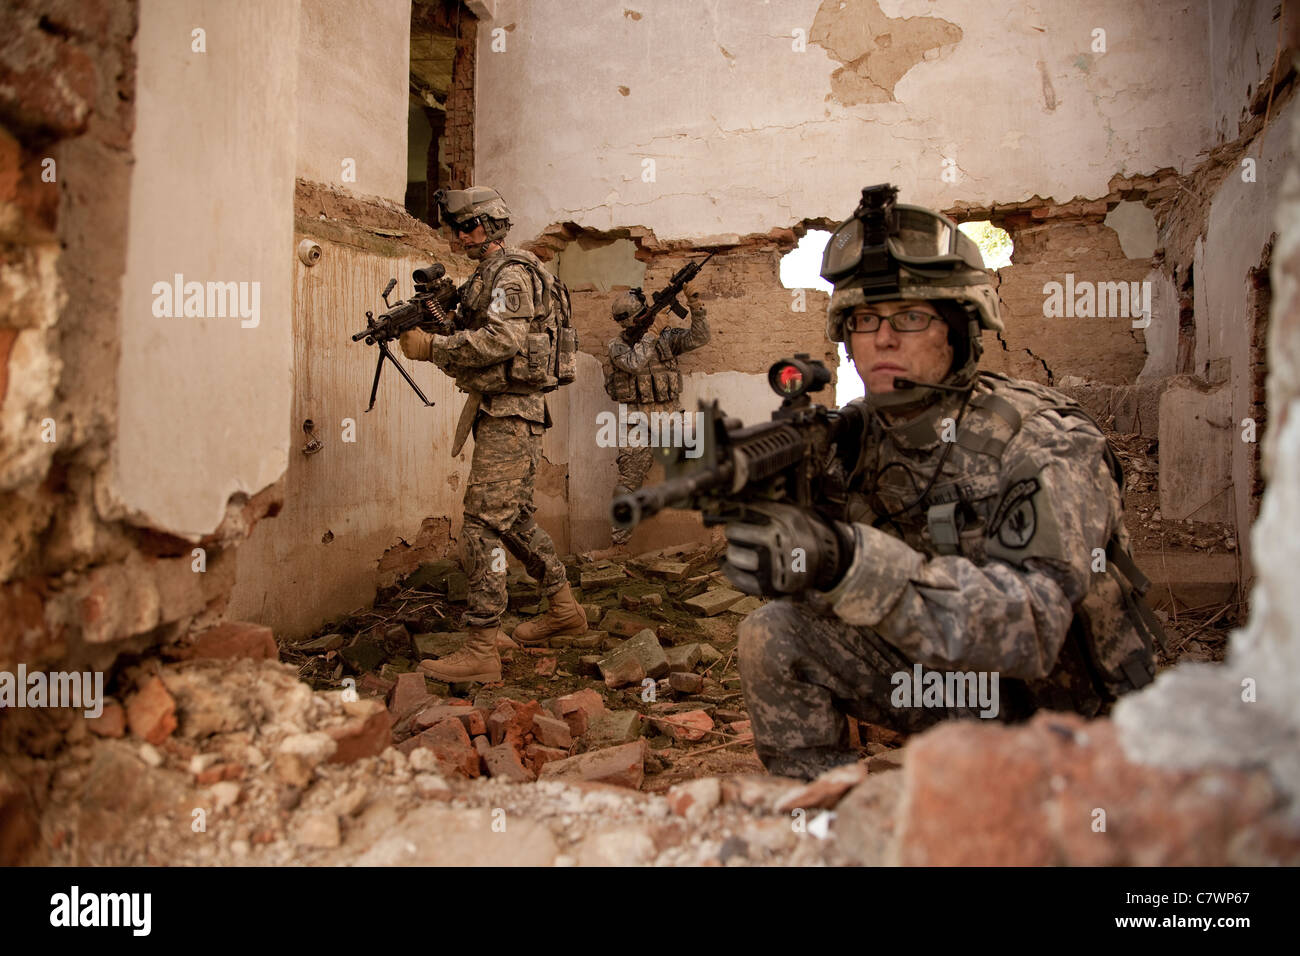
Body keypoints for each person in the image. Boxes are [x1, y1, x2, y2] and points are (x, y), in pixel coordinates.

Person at [724, 186, 1163, 780]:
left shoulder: (1044, 440)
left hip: (1073, 713)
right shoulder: (854, 439)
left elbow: (1035, 628)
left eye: (911, 317)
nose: (882, 338)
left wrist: (857, 563)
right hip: (948, 691)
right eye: (865, 320)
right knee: (773, 634)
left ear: (958, 329)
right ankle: (825, 820)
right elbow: (811, 579)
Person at [400, 186, 586, 683]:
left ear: (492, 226)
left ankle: (482, 648)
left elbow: (503, 340)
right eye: (455, 228)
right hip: (501, 411)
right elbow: (479, 329)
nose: (459, 236)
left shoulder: (512, 274)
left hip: (512, 414)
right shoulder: (488, 276)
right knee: (515, 520)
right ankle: (565, 608)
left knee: (482, 526)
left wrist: (432, 348)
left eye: (467, 226)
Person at [603, 287, 710, 546]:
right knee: (627, 484)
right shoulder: (617, 346)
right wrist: (651, 333)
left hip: (669, 414)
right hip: (637, 420)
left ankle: (717, 536)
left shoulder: (666, 337)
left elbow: (700, 338)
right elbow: (633, 364)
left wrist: (695, 306)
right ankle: (619, 547)